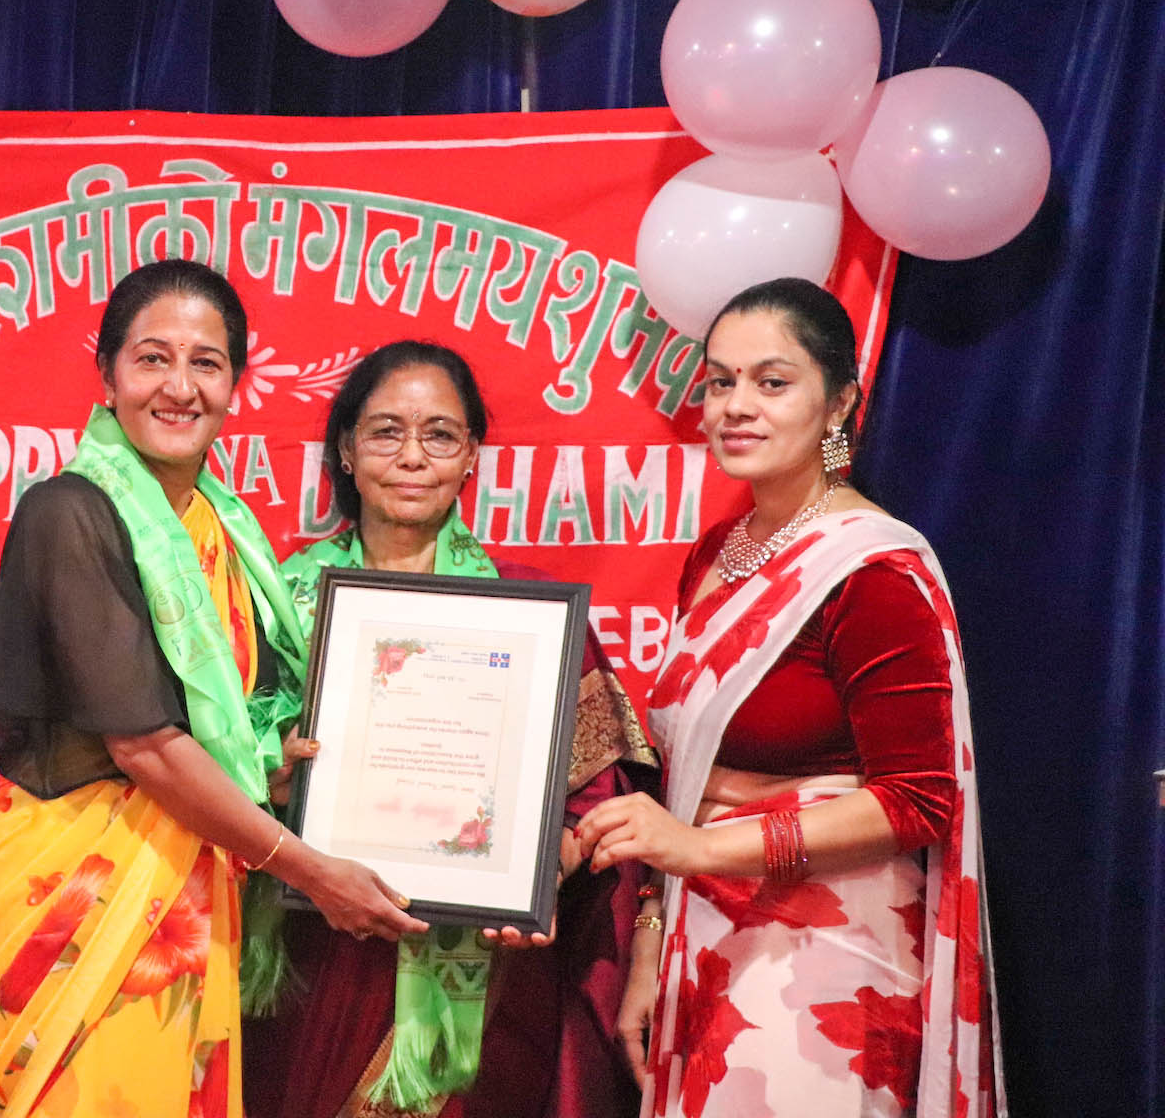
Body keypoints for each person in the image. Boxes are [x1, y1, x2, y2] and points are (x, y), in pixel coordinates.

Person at [0, 260, 427, 1118]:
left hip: (192, 897)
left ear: (236, 385)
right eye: (153, 359)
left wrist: (272, 775)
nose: (180, 387)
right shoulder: (69, 513)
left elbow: (211, 735)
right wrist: (312, 871)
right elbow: (143, 746)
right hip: (83, 899)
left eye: (206, 363)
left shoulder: (218, 527)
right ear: (107, 376)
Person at [575, 278, 1004, 1117]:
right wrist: (650, 946)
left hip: (826, 966)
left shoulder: (873, 571)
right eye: (719, 382)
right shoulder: (716, 554)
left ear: (839, 402)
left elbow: (917, 801)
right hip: (704, 938)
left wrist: (701, 849)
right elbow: (686, 790)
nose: (736, 406)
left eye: (772, 382)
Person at [244, 340, 659, 1118]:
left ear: (471, 455)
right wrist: (269, 778)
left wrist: (540, 873)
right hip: (311, 952)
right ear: (346, 449)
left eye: (439, 434)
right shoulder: (271, 603)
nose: (412, 456)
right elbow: (208, 772)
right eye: (386, 432)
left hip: (482, 965)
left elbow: (598, 794)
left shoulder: (527, 611)